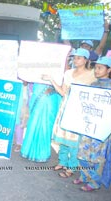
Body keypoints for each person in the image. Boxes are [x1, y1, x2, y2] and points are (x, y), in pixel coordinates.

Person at [42, 48, 97, 177]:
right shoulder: (68, 73)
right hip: (66, 108)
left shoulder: (92, 74)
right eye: (74, 57)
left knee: (74, 140)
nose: (75, 60)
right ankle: (62, 161)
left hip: (80, 111)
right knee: (63, 137)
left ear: (86, 60)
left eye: (79, 58)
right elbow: (62, 92)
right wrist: (51, 79)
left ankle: (72, 167)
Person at [73, 56, 111, 192]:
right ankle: (84, 176)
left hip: (102, 130)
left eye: (100, 68)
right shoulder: (93, 84)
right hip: (88, 126)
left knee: (96, 157)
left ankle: (94, 182)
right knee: (82, 152)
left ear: (109, 70)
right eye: (95, 67)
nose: (96, 70)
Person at [20, 82, 61, 162]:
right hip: (37, 92)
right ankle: (27, 150)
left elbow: (65, 82)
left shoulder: (64, 69)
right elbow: (26, 78)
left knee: (46, 125)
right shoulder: (37, 68)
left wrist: (54, 88)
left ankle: (42, 154)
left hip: (51, 96)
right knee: (33, 123)